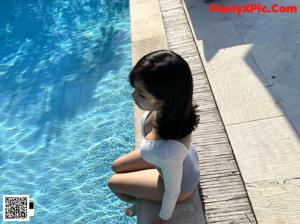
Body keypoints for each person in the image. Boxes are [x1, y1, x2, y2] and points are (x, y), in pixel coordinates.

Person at [108, 49, 200, 224]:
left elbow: (172, 191)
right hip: (180, 159)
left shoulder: (167, 148)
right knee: (116, 166)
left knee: (114, 183)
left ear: (164, 98)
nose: (133, 95)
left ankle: (138, 203)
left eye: (141, 94)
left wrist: (163, 219)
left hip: (182, 185)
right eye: (135, 89)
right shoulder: (172, 112)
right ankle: (144, 192)